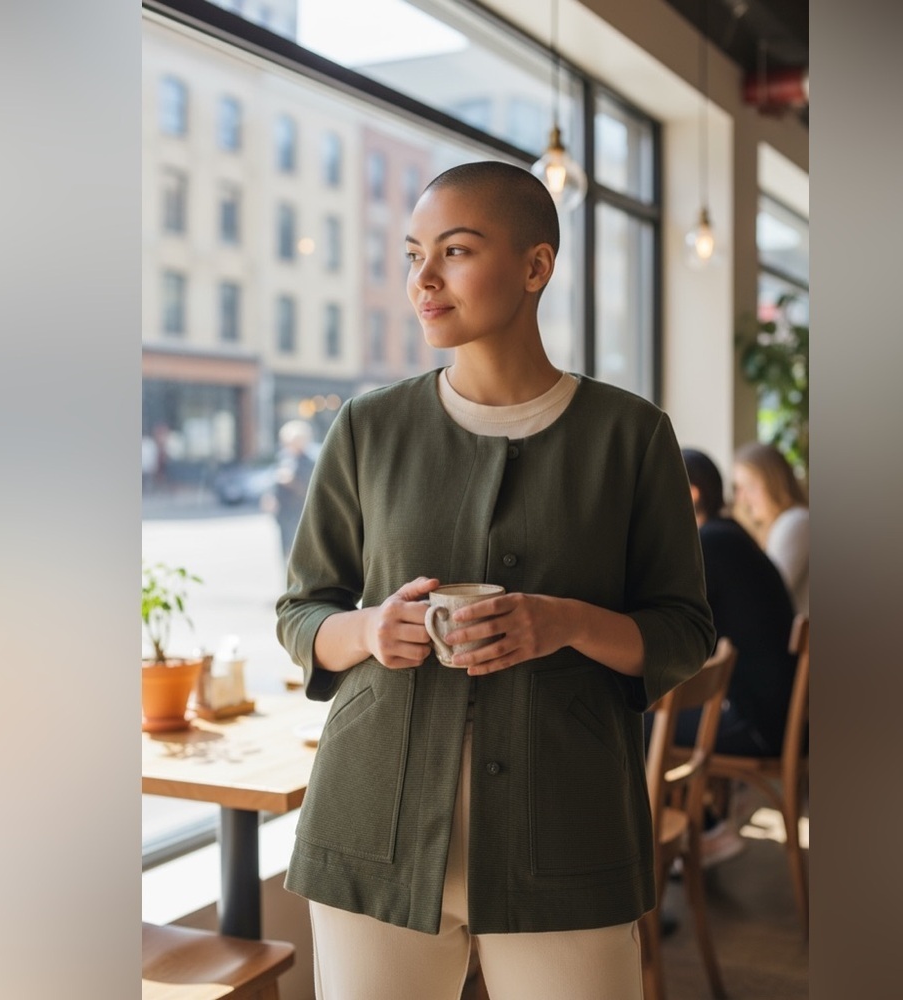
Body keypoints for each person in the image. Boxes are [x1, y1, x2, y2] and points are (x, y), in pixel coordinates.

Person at [276, 161, 715, 1000]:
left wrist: (567, 623)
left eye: (455, 250)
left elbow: (685, 630)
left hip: (569, 835)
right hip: (373, 827)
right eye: (413, 255)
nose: (423, 279)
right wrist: (371, 630)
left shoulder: (631, 435)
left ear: (535, 266)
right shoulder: (369, 427)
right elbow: (303, 610)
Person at [662, 449, 799, 868]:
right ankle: (697, 828)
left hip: (758, 721)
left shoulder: (710, 545)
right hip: (779, 712)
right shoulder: (730, 537)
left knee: (633, 726)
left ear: (689, 493)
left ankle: (693, 835)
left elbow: (675, 633)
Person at [732, 441, 809, 614]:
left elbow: (765, 594)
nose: (742, 499)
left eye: (750, 487)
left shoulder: (795, 521)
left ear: (775, 483)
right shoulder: (772, 528)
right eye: (738, 489)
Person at [262, 419, 315, 563]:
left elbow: (311, 489)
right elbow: (273, 480)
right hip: (284, 510)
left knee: (300, 548)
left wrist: (292, 482)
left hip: (299, 511)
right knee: (285, 548)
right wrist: (270, 496)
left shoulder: (309, 462)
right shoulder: (283, 457)